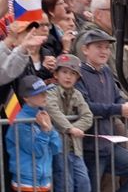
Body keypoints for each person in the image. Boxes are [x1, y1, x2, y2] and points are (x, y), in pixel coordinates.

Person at [75, 29, 128, 192]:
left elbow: (116, 97)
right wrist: (119, 109)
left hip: (108, 145)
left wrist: (127, 106)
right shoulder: (79, 74)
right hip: (89, 148)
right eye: (99, 47)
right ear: (85, 50)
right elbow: (86, 107)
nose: (104, 51)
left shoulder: (106, 71)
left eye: (107, 47)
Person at [45, 54, 93, 192]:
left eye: (73, 73)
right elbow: (53, 111)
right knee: (66, 184)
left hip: (75, 148)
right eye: (64, 72)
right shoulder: (50, 92)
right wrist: (70, 128)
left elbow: (88, 116)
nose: (68, 77)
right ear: (56, 74)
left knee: (84, 183)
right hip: (58, 147)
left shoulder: (77, 94)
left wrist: (74, 128)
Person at [7, 75, 61, 192]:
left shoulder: (43, 115)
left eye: (45, 92)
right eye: (39, 93)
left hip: (44, 180)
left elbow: (57, 148)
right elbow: (35, 150)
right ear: (26, 97)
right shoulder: (20, 121)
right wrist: (45, 131)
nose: (44, 96)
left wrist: (50, 129)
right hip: (25, 182)